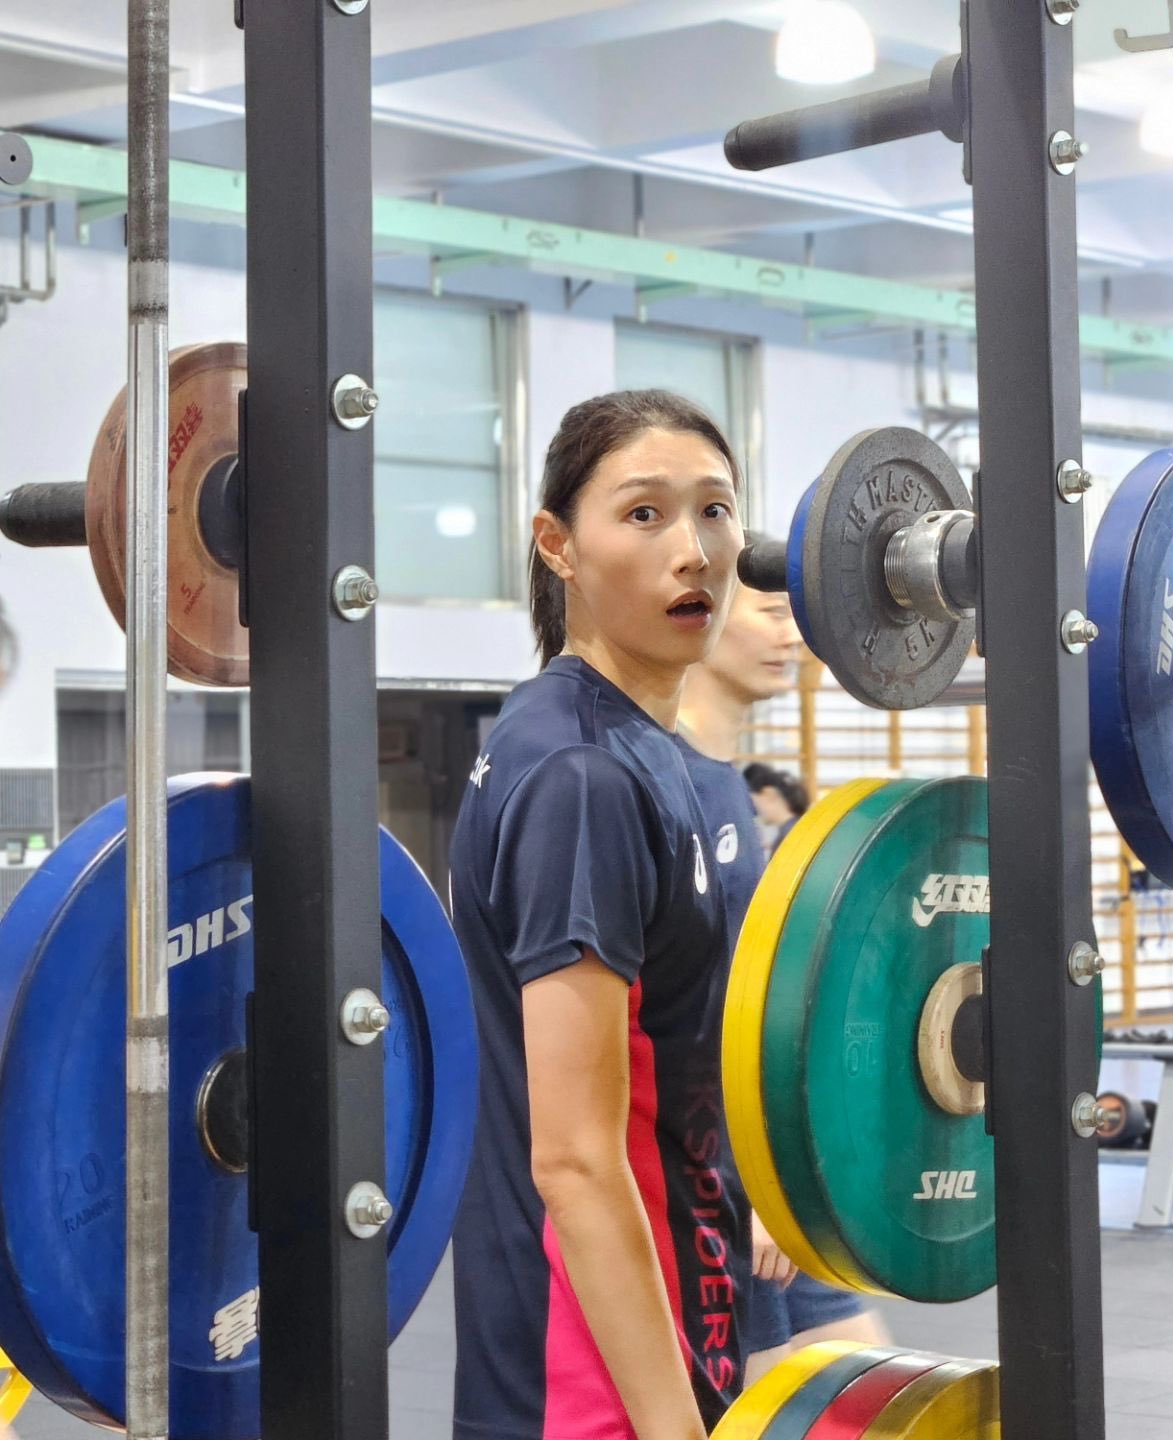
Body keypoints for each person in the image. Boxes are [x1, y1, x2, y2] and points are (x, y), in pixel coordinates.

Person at [448, 391, 751, 1440]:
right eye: (644, 514)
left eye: (715, 511)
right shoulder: (582, 774)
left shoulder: (634, 753)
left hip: (670, 1330)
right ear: (557, 545)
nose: (694, 552)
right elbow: (574, 1160)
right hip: (592, 1389)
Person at [677, 560, 892, 1388]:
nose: (790, 634)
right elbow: (694, 1032)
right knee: (763, 1411)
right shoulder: (665, 784)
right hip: (726, 1192)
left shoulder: (726, 786)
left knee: (874, 1393)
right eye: (768, 611)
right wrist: (750, 1192)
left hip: (773, 1183)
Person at [740, 762, 809, 854]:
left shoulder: (790, 838)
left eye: (751, 801)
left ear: (769, 794)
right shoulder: (800, 829)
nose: (753, 809)